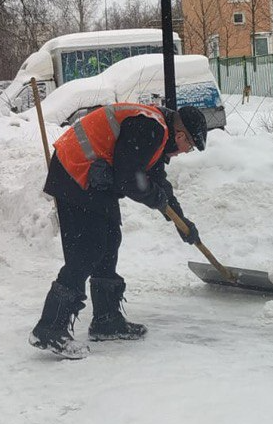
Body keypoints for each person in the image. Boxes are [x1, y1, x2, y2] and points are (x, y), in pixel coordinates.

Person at [28, 103, 208, 359]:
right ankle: (50, 327)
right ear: (181, 136)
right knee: (89, 247)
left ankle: (106, 319)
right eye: (189, 146)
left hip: (92, 177)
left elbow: (156, 181)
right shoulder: (150, 127)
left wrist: (182, 222)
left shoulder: (158, 134)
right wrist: (154, 196)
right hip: (76, 171)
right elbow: (130, 179)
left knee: (110, 238)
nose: (185, 151)